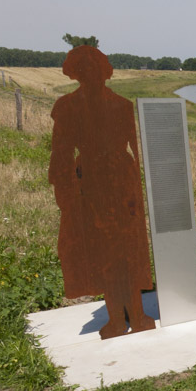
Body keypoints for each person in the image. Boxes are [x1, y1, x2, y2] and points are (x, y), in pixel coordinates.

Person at [49, 45, 155, 339]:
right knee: (114, 249)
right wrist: (65, 190)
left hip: (110, 182)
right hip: (104, 181)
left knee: (120, 249)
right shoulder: (80, 107)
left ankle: (131, 317)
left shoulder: (107, 105)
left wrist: (64, 187)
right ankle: (126, 319)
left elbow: (60, 155)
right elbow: (60, 155)